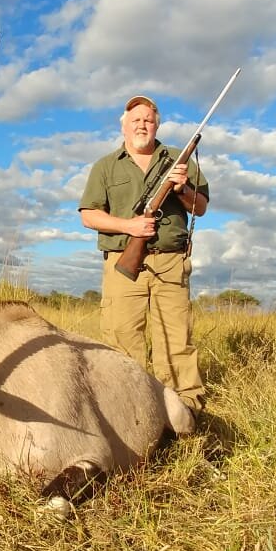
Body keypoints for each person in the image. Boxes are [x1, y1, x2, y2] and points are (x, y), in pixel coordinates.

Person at [78, 94, 209, 417]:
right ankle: (129, 410)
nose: (142, 125)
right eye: (135, 120)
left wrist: (183, 190)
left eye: (148, 120)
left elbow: (201, 208)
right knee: (122, 338)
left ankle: (186, 411)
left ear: (157, 125)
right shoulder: (106, 165)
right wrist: (130, 226)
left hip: (170, 262)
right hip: (123, 264)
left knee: (176, 339)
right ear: (124, 127)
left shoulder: (179, 159)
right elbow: (89, 215)